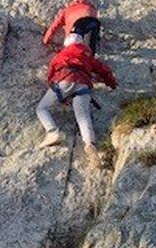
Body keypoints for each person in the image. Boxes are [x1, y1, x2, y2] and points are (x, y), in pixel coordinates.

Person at [35, 35, 117, 164]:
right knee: (83, 116)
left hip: (64, 79)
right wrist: (112, 84)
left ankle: (52, 132)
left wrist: (57, 91)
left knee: (42, 108)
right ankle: (90, 144)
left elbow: (51, 73)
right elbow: (104, 70)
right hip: (83, 83)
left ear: (67, 45)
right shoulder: (87, 56)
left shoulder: (61, 54)